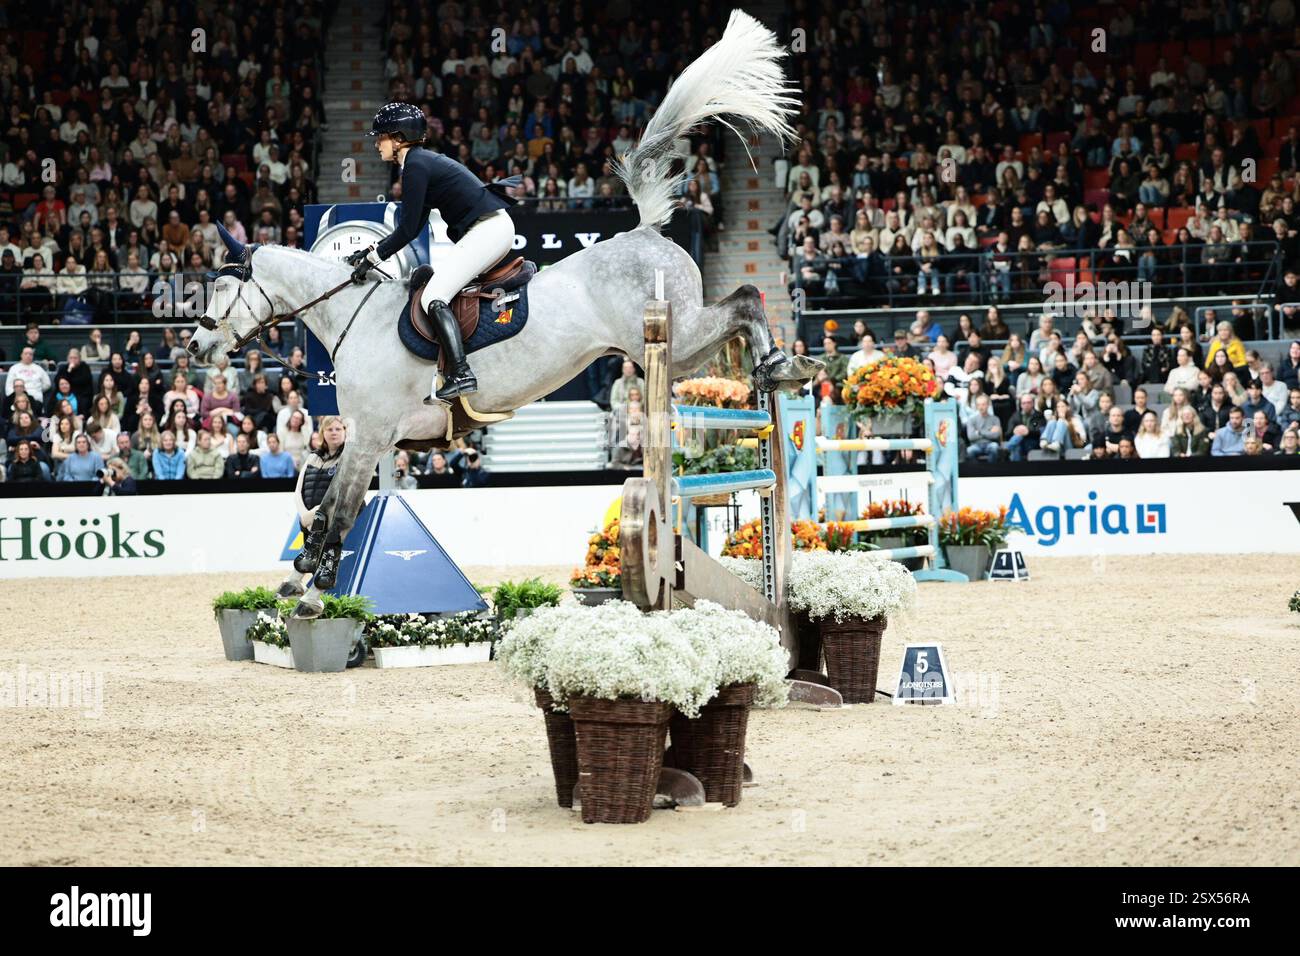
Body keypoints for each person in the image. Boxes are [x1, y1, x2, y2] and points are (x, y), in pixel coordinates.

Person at [347, 102, 520, 403]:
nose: (377, 143)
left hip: (489, 229)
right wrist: (372, 251)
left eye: (381, 137)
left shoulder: (415, 166)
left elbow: (406, 229)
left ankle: (462, 372)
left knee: (433, 296)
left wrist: (373, 258)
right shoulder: (419, 163)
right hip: (492, 228)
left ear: (398, 138)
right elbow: (412, 228)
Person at [289, 415, 349, 590]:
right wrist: (306, 517)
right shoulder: (312, 457)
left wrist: (318, 512)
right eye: (329, 429)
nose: (334, 433)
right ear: (322, 433)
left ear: (345, 432)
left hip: (333, 522)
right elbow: (298, 491)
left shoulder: (348, 457)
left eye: (338, 429)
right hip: (309, 521)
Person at [1004, 393, 1046, 461]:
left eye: (1029, 402)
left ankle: (1006, 449)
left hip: (1033, 442)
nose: (1026, 405)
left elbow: (1041, 432)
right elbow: (1008, 433)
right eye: (1024, 403)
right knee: (1017, 443)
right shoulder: (1015, 416)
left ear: (1032, 404)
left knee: (1019, 438)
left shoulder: (1039, 416)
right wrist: (1014, 431)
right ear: (1021, 405)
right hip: (1018, 443)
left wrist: (1028, 432)